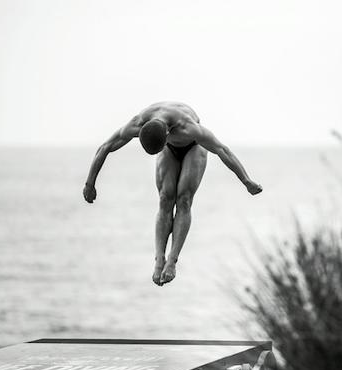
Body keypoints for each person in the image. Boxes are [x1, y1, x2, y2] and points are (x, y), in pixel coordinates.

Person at [83, 101, 262, 286]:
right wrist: (90, 183)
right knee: (165, 198)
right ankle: (159, 259)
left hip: (193, 147)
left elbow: (222, 150)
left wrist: (246, 181)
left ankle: (172, 261)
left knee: (183, 198)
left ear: (168, 134)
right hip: (168, 148)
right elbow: (105, 147)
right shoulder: (137, 123)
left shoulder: (189, 128)